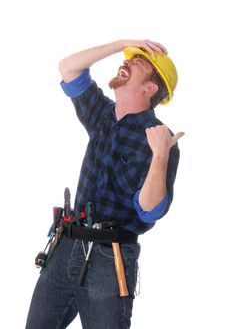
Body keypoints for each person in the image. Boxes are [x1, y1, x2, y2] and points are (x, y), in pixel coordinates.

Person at [25, 39, 184, 329]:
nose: (125, 62)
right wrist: (124, 43)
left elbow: (149, 210)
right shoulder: (101, 114)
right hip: (66, 246)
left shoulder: (160, 139)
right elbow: (69, 68)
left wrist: (160, 153)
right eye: (127, 58)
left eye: (138, 63)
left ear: (150, 87)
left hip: (109, 262)